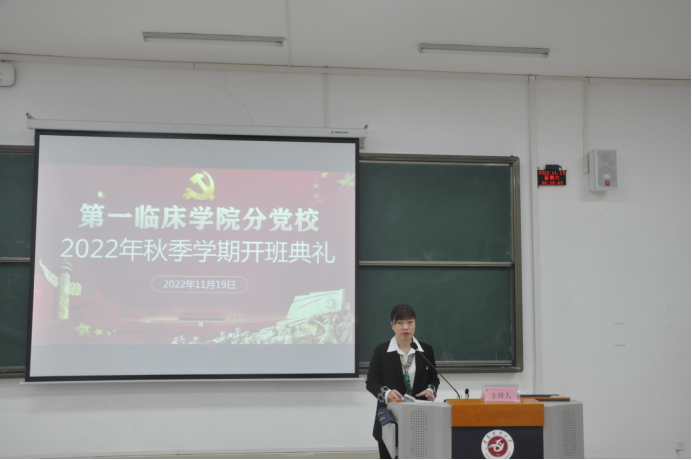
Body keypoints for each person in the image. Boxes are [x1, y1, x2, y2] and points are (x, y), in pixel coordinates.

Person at [365, 304, 440, 459]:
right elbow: (371, 382)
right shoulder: (381, 351)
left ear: (415, 324)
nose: (405, 327)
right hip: (390, 419)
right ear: (392, 325)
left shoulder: (426, 350)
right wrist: (387, 393)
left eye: (410, 322)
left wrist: (430, 390)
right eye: (400, 322)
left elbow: (434, 378)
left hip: (420, 419)